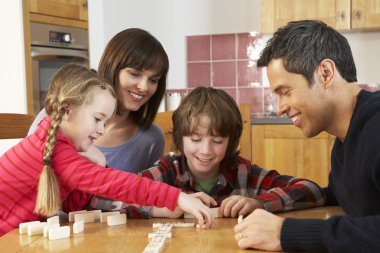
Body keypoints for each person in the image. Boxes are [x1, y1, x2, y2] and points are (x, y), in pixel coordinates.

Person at [0, 64, 214, 236]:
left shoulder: (61, 147)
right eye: (97, 119)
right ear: (67, 110)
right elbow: (117, 184)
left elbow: (74, 205)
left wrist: (97, 163)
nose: (101, 130)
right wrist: (177, 197)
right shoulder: (56, 150)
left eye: (105, 121)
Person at [234, 20, 380, 252]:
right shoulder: (345, 139)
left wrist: (286, 233)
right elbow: (335, 196)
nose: (280, 107)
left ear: (325, 73)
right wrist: (261, 203)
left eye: (286, 92)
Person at [90, 87, 325, 219]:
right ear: (180, 139)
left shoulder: (243, 171)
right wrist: (163, 205)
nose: (205, 151)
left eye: (217, 141)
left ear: (230, 142)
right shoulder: (168, 171)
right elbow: (100, 198)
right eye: (195, 139)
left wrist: (259, 203)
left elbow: (312, 190)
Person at [28, 28, 168, 173]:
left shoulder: (151, 139)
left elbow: (145, 191)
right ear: (112, 67)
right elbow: (27, 173)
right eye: (134, 74)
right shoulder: (60, 112)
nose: (144, 87)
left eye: (153, 80)